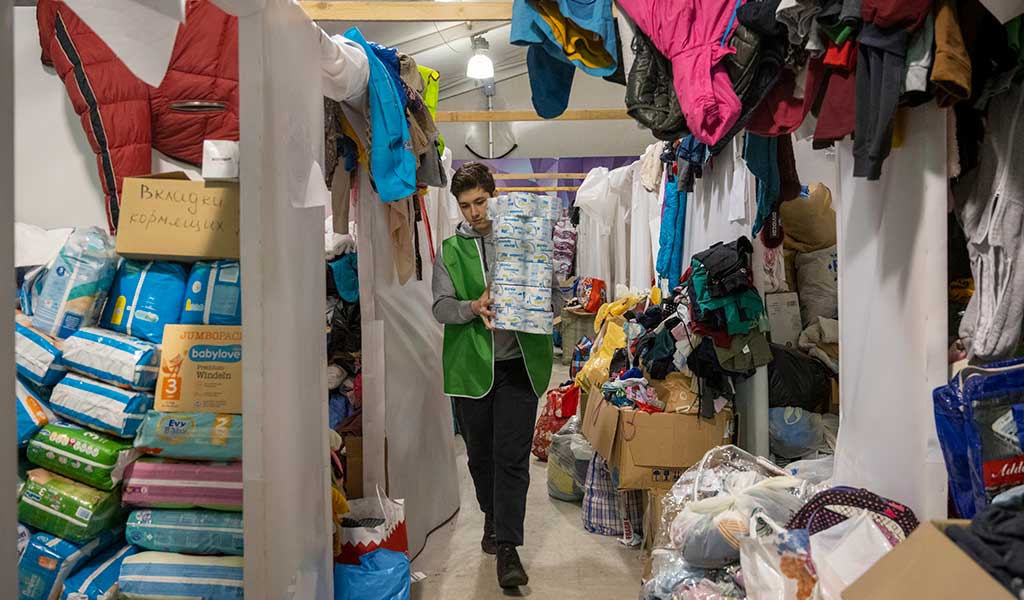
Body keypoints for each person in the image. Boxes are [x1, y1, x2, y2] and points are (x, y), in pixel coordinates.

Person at [431, 162, 556, 589]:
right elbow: (440, 308)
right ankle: (491, 514)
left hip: (521, 365)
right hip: (471, 369)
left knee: (512, 456)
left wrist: (544, 300)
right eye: (465, 206)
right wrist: (472, 307)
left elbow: (552, 291)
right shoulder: (449, 250)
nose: (474, 213)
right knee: (480, 457)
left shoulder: (523, 238)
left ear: (493, 194)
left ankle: (508, 547)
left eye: (480, 202)